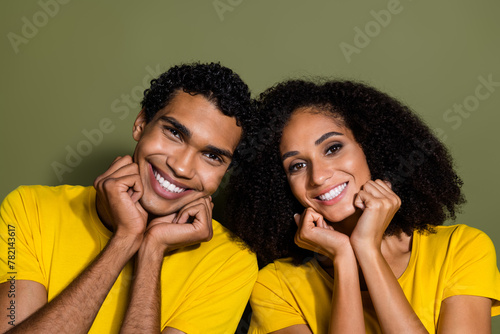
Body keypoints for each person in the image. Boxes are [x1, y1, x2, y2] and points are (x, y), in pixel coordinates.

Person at [0, 62, 258, 333]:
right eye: (174, 133)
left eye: (212, 156)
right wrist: (124, 240)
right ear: (141, 123)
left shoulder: (230, 262)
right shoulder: (30, 209)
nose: (181, 167)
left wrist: (152, 250)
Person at [226, 79, 500, 333]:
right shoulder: (277, 285)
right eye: (297, 165)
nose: (318, 176)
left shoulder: (461, 249)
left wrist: (367, 249)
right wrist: (344, 258)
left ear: (371, 149)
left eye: (333, 148)